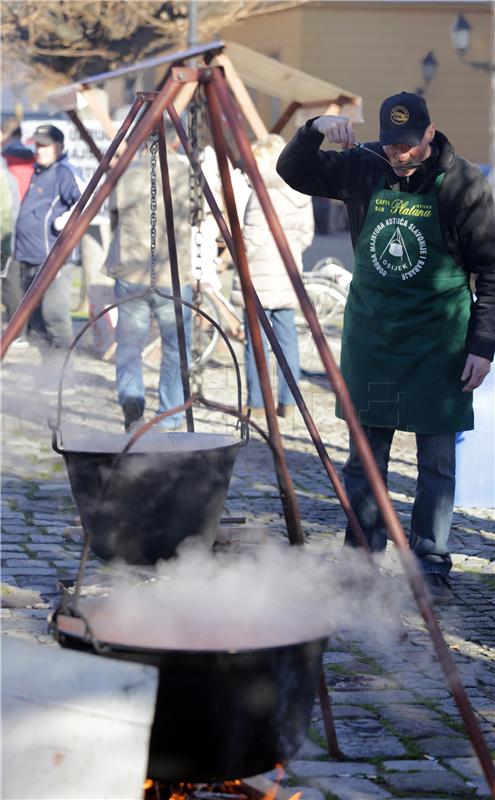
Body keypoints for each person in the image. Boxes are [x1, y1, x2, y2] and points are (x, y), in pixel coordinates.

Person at [276, 92, 495, 592]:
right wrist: (315, 127)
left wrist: (483, 346)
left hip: (440, 343)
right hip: (374, 337)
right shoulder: (363, 164)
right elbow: (294, 171)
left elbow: (491, 268)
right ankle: (361, 558)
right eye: (393, 145)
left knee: (436, 461)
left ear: (430, 133)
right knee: (365, 457)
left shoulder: (463, 183)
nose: (400, 154)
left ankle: (431, 561)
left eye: (410, 145)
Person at [104, 132, 192, 433]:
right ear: (176, 142)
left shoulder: (128, 171)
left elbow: (112, 210)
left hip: (132, 271)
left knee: (129, 343)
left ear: (142, 142)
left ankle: (131, 399)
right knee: (176, 347)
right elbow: (198, 214)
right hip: (173, 274)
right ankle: (170, 414)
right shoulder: (186, 172)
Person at [231, 134, 314, 419]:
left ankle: (255, 401)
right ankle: (288, 400)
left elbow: (251, 239)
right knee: (287, 340)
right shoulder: (301, 192)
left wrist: (235, 254)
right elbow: (307, 235)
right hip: (287, 273)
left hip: (259, 276)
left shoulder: (261, 192)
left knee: (256, 342)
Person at [14, 123, 81, 363]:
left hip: (53, 259)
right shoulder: (35, 171)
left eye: (45, 146)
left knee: (55, 315)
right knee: (36, 321)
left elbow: (84, 201)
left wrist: (65, 220)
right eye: (38, 145)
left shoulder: (63, 172)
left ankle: (65, 377)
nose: (39, 150)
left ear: (59, 147)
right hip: (27, 257)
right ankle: (48, 376)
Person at [1, 115, 35, 347]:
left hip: (8, 228)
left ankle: (18, 330)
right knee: (19, 282)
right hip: (29, 226)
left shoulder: (5, 161)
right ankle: (24, 328)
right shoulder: (34, 160)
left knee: (9, 283)